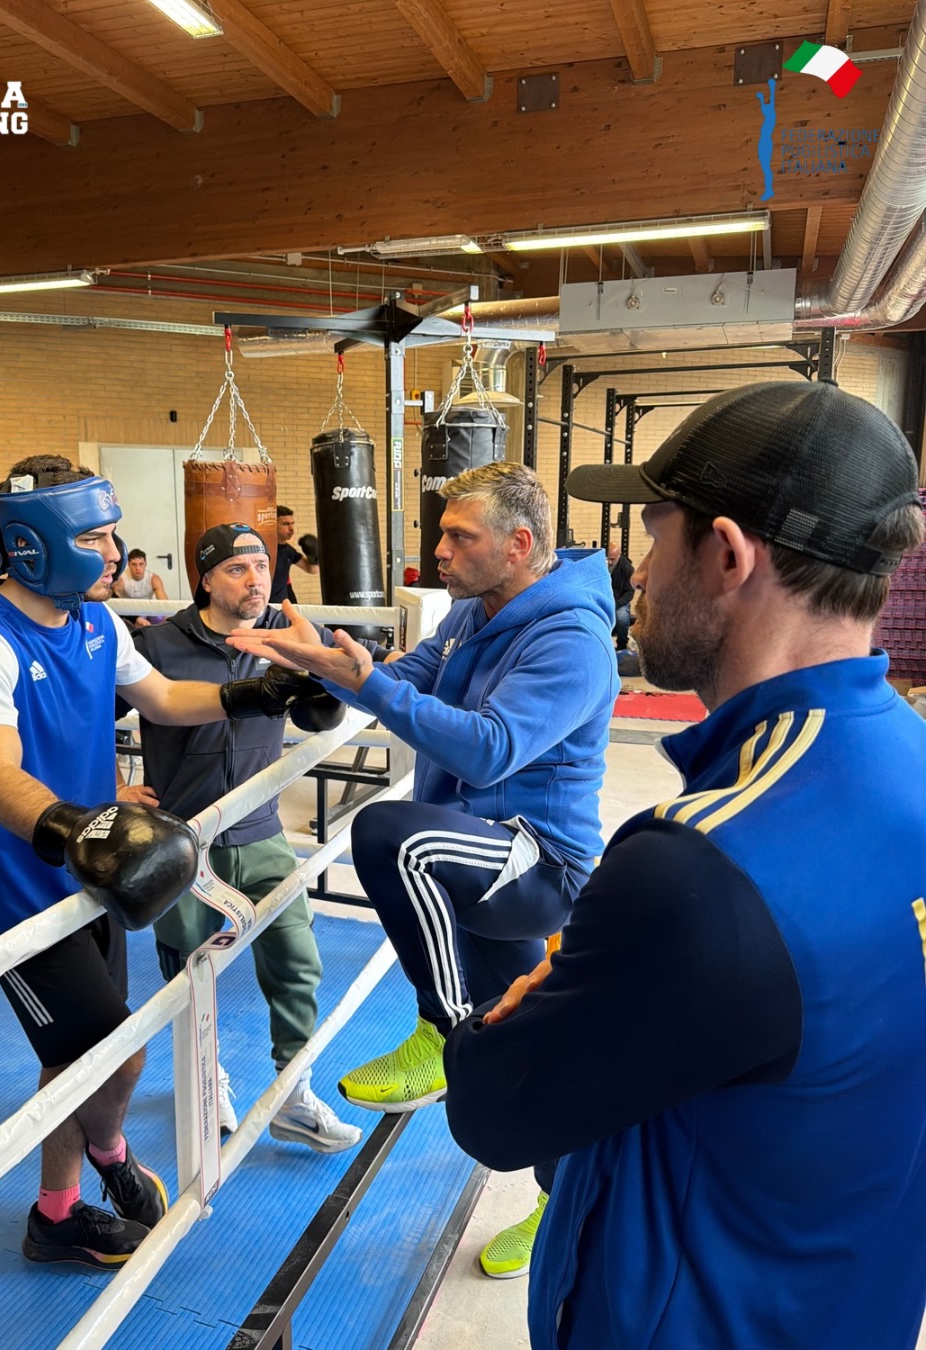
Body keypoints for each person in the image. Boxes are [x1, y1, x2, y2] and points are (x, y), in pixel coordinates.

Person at [442, 381, 926, 1350]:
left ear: (728, 554)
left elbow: (494, 1109)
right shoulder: (909, 764)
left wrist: (538, 997)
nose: (637, 575)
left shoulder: (701, 866)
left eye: (656, 534)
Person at [0, 456, 349, 1273]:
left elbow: (159, 697)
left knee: (68, 1060)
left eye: (112, 531)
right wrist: (75, 825)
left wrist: (254, 695)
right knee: (118, 1053)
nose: (113, 550)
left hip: (91, 881)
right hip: (19, 895)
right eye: (95, 535)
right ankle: (114, 1155)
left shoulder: (96, 623)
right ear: (33, 543)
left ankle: (55, 1215)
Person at [228, 461, 619, 1278]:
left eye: (457, 536)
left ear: (519, 544)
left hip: (534, 861)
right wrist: (338, 666)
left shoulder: (571, 638)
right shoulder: (475, 610)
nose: (437, 549)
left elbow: (489, 747)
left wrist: (370, 683)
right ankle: (553, 1199)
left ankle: (442, 1034)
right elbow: (413, 678)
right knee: (527, 1046)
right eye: (441, 532)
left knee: (389, 835)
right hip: (469, 862)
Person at [129, 522, 382, 1154]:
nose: (255, 578)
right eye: (237, 568)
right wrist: (105, 787)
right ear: (206, 578)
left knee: (298, 963)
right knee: (191, 976)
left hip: (263, 832)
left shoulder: (286, 635)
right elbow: (81, 714)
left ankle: (294, 1093)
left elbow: (353, 676)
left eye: (261, 566)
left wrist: (332, 672)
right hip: (183, 839)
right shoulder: (157, 645)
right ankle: (204, 1077)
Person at [270, 506, 318, 604]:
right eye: (286, 524)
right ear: (273, 525)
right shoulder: (263, 548)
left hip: (284, 599)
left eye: (292, 524)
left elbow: (312, 570)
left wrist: (313, 555)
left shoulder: (289, 551)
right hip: (266, 600)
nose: (291, 529)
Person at [112, 547, 168, 626]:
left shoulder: (154, 579)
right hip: (130, 612)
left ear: (146, 564)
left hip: (148, 609)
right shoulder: (121, 580)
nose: (137, 568)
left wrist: (166, 620)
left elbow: (164, 603)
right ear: (128, 565)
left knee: (160, 617)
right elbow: (116, 604)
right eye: (134, 564)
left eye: (141, 564)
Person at [605, 539, 634, 649]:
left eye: (613, 559)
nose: (610, 562)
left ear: (619, 555)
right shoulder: (603, 566)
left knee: (621, 618)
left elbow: (629, 593)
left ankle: (622, 645)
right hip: (605, 599)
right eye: (609, 558)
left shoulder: (627, 569)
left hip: (619, 602)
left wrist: (616, 604)